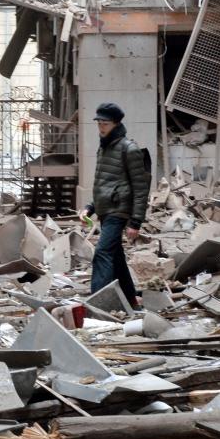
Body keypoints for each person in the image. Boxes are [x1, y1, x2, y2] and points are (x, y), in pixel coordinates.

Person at [79, 103, 151, 309]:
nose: (101, 127)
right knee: (115, 256)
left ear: (116, 124)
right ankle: (130, 298)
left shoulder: (129, 149)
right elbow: (104, 184)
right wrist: (90, 208)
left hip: (119, 211)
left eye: (105, 123)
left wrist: (135, 221)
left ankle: (96, 306)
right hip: (105, 209)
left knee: (102, 253)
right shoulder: (104, 148)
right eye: (99, 123)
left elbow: (140, 188)